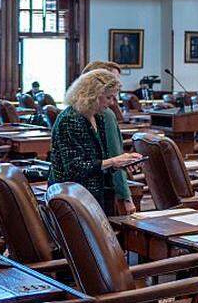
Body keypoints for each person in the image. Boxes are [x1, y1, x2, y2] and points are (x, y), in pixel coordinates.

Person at [49, 70, 143, 215]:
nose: (112, 103)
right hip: (71, 199)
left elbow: (99, 162)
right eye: (108, 97)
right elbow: (74, 168)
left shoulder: (97, 117)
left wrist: (122, 164)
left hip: (95, 195)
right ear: (91, 95)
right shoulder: (70, 119)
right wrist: (113, 161)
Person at [81, 61, 136, 214]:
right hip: (101, 192)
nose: (117, 86)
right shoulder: (105, 114)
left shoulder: (76, 111)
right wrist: (126, 198)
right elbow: (115, 156)